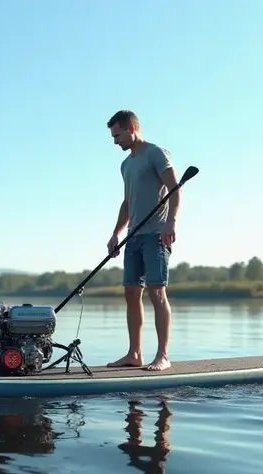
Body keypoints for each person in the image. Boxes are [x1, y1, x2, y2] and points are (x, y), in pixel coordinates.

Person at [104, 110, 181, 371]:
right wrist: (116, 233)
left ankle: (163, 356)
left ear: (132, 128)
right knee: (131, 292)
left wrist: (171, 223)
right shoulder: (126, 165)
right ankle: (134, 354)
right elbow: (127, 203)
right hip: (133, 236)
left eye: (117, 135)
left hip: (156, 234)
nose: (115, 141)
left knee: (156, 291)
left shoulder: (156, 153)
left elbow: (175, 190)